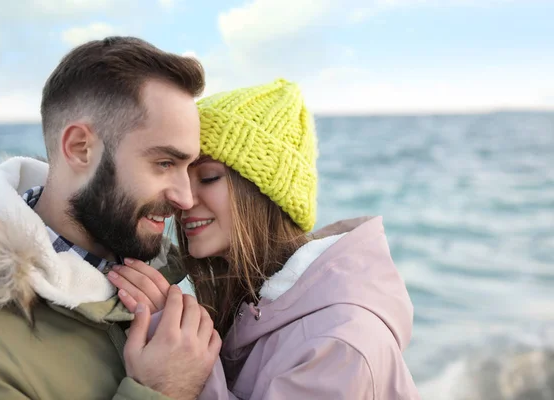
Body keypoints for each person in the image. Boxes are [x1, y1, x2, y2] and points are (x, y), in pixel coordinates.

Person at [112, 78, 421, 399]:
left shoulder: (340, 346)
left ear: (265, 194)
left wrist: (180, 382)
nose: (185, 199)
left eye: (208, 177)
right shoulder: (255, 308)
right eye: (175, 173)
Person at [0, 36, 221, 400]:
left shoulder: (165, 286)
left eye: (189, 167)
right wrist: (162, 392)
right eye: (164, 163)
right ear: (81, 148)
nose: (185, 197)